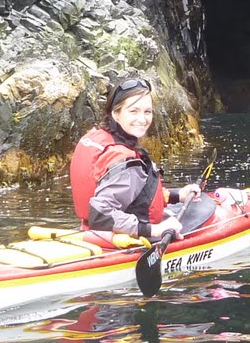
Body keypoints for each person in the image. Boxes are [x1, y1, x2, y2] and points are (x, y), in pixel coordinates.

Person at [69, 77, 204, 241]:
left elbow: (134, 192)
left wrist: (177, 195)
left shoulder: (98, 138)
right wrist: (155, 230)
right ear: (115, 114)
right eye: (133, 111)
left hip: (92, 234)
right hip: (120, 239)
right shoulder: (123, 160)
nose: (142, 119)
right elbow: (100, 215)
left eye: (147, 112)